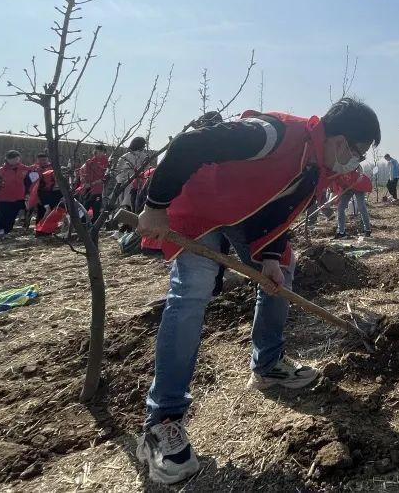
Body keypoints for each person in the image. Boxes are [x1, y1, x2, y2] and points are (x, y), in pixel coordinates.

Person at [134, 97, 381, 484]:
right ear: (339, 140)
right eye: (356, 151)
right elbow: (190, 145)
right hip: (196, 207)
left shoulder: (316, 166)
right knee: (193, 291)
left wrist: (268, 255)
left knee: (283, 266)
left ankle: (267, 365)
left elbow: (274, 212)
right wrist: (156, 204)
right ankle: (162, 420)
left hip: (237, 214)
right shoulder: (273, 135)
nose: (355, 161)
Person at [0, 150, 32, 239]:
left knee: (12, 215)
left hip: (19, 197)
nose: (15, 160)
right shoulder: (0, 171)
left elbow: (28, 182)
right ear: (7, 159)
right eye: (13, 159)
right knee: (3, 215)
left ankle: (6, 232)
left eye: (17, 158)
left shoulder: (25, 169)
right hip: (4, 197)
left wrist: (28, 193)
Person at [115, 136, 154, 211]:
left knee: (125, 205)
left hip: (126, 184)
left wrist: (120, 182)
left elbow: (118, 172)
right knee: (132, 205)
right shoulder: (143, 156)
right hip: (136, 184)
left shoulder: (125, 156)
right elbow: (147, 171)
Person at [332, 168, 373, 238]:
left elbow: (359, 169)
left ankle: (367, 229)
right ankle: (341, 232)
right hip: (347, 188)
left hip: (358, 185)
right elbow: (338, 189)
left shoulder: (348, 166)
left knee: (361, 207)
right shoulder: (335, 176)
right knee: (340, 208)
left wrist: (359, 176)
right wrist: (338, 197)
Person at [78, 144, 110, 223]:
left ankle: (93, 226)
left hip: (98, 190)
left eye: (101, 152)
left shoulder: (107, 163)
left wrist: (97, 182)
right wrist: (86, 183)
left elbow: (106, 177)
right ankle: (80, 224)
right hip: (88, 189)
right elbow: (84, 175)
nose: (99, 153)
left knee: (97, 209)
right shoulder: (89, 162)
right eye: (98, 151)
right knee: (84, 208)